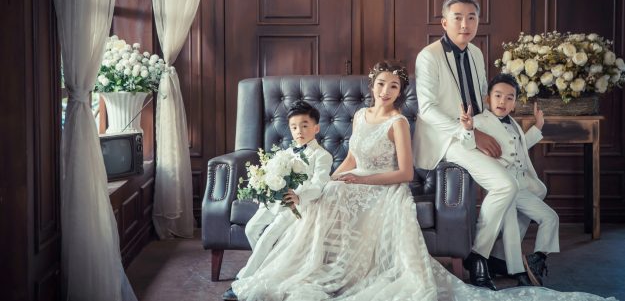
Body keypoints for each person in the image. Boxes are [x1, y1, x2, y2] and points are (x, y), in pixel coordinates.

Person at [229, 60, 615, 301]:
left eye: (393, 86)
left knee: (349, 204)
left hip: (386, 188)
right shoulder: (360, 116)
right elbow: (352, 158)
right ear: (372, 86)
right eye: (381, 84)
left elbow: (405, 173)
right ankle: (303, 270)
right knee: (321, 201)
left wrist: (362, 183)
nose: (385, 91)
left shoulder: (399, 122)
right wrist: (335, 179)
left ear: (400, 93)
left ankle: (350, 273)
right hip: (356, 178)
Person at [413, 0, 518, 290]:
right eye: (457, 17)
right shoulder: (428, 56)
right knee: (506, 185)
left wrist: (495, 125)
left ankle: (507, 257)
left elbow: (482, 100)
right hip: (445, 139)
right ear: (444, 22)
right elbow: (427, 109)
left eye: (471, 17)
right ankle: (478, 255)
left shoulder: (476, 53)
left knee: (515, 178)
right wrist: (471, 134)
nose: (465, 24)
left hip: (476, 130)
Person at [222, 100, 333, 301]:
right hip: (274, 202)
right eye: (294, 127)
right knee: (251, 229)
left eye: (304, 125)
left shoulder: (322, 155)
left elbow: (319, 184)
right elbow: (272, 175)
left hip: (297, 205)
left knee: (269, 235)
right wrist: (263, 189)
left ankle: (243, 280)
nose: (299, 131)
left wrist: (300, 197)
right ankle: (268, 267)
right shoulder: (285, 153)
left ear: (316, 128)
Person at [459, 73, 560, 287]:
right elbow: (466, 146)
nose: (502, 102)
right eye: (498, 96)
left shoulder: (513, 123)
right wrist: (468, 130)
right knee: (512, 228)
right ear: (488, 98)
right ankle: (518, 272)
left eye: (509, 98)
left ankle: (535, 260)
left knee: (550, 218)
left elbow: (518, 147)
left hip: (522, 187)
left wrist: (538, 127)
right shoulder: (479, 122)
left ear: (514, 104)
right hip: (504, 186)